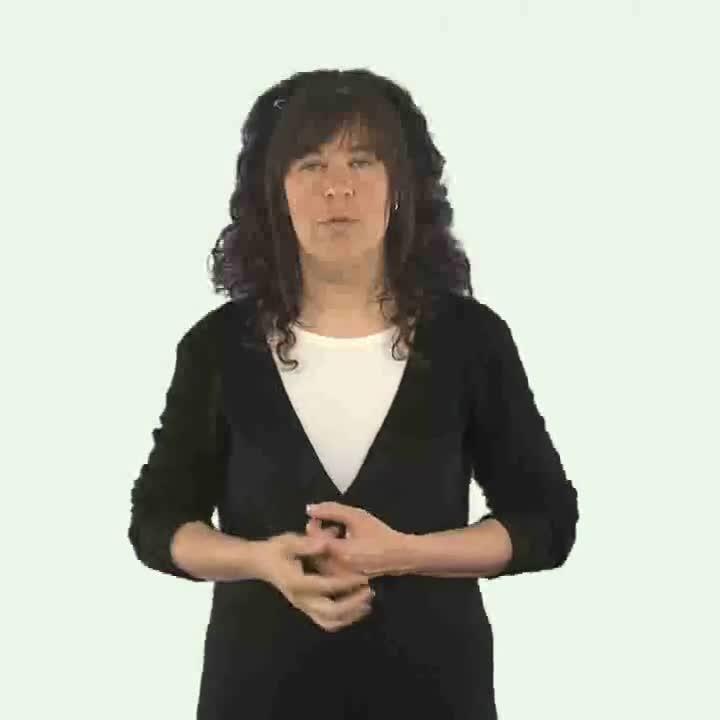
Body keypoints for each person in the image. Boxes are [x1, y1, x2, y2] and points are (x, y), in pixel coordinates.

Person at [128, 68, 579, 719]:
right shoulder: (216, 348)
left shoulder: (472, 341)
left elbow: (546, 521)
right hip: (256, 696)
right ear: (275, 192)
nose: (336, 186)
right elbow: (157, 520)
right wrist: (258, 560)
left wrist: (407, 553)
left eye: (362, 162)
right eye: (310, 164)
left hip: (434, 697)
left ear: (401, 187)